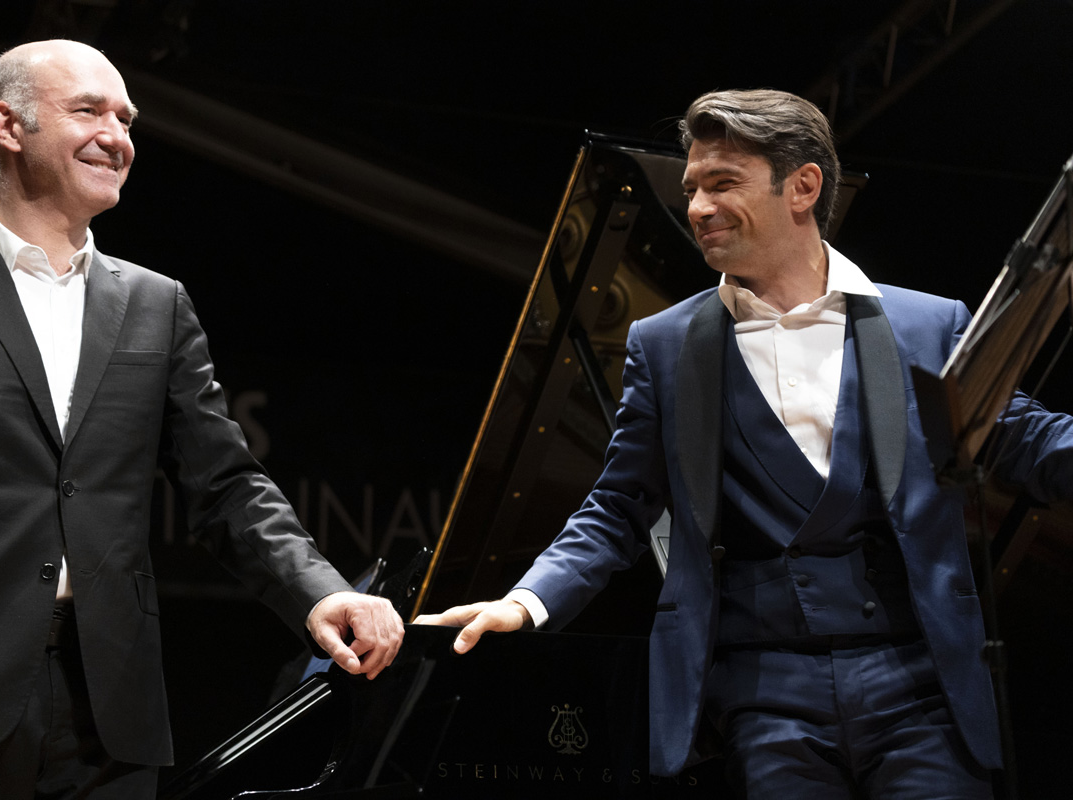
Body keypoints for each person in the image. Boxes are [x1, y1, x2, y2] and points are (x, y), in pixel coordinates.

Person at [417, 88, 1073, 798]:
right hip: (765, 697)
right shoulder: (665, 345)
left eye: (723, 183)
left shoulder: (927, 325)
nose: (698, 207)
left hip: (923, 688)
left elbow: (1030, 441)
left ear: (804, 187)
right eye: (691, 188)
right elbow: (618, 506)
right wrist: (523, 602)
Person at [0, 39, 403, 799]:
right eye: (88, 111)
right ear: (9, 125)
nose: (116, 137)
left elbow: (226, 484)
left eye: (126, 120)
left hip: (110, 709)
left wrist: (320, 591)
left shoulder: (157, 303)